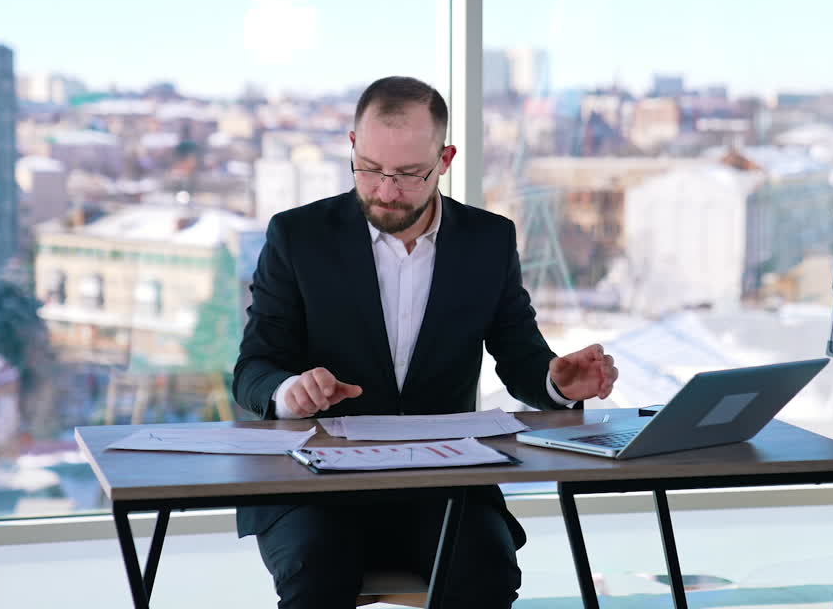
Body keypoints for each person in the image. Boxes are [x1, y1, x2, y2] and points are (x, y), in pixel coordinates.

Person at [232, 75, 617, 608]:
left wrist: (555, 381)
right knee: (315, 571)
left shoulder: (489, 240)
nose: (387, 190)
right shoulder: (297, 236)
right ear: (352, 147)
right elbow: (254, 368)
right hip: (314, 486)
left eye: (410, 174)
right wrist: (288, 390)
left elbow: (520, 355)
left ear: (445, 159)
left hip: (444, 481)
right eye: (370, 169)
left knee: (487, 571)